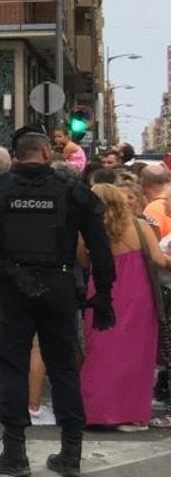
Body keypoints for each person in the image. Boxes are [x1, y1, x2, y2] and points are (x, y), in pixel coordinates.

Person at [0, 129, 115, 477]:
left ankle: (14, 453)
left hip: (15, 289)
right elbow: (100, 247)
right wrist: (103, 294)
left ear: (15, 156)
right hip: (60, 285)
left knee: (12, 366)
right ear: (46, 154)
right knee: (63, 368)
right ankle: (71, 453)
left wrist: (8, 270)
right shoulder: (72, 189)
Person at [80, 183, 168, 430]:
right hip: (138, 293)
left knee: (100, 351)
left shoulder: (89, 227)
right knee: (136, 354)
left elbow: (82, 260)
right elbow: (159, 260)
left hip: (102, 289)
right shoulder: (140, 225)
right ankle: (130, 413)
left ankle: (97, 411)